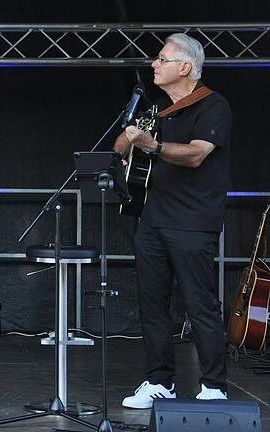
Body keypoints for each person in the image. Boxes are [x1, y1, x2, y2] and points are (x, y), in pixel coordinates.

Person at [113, 33, 231, 409]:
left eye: (162, 59)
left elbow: (197, 154)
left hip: (193, 222)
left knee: (200, 305)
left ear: (185, 67)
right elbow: (118, 149)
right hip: (152, 221)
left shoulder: (213, 106)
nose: (154, 64)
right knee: (151, 305)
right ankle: (158, 381)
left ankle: (214, 384)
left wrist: (154, 146)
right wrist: (131, 134)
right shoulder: (159, 110)